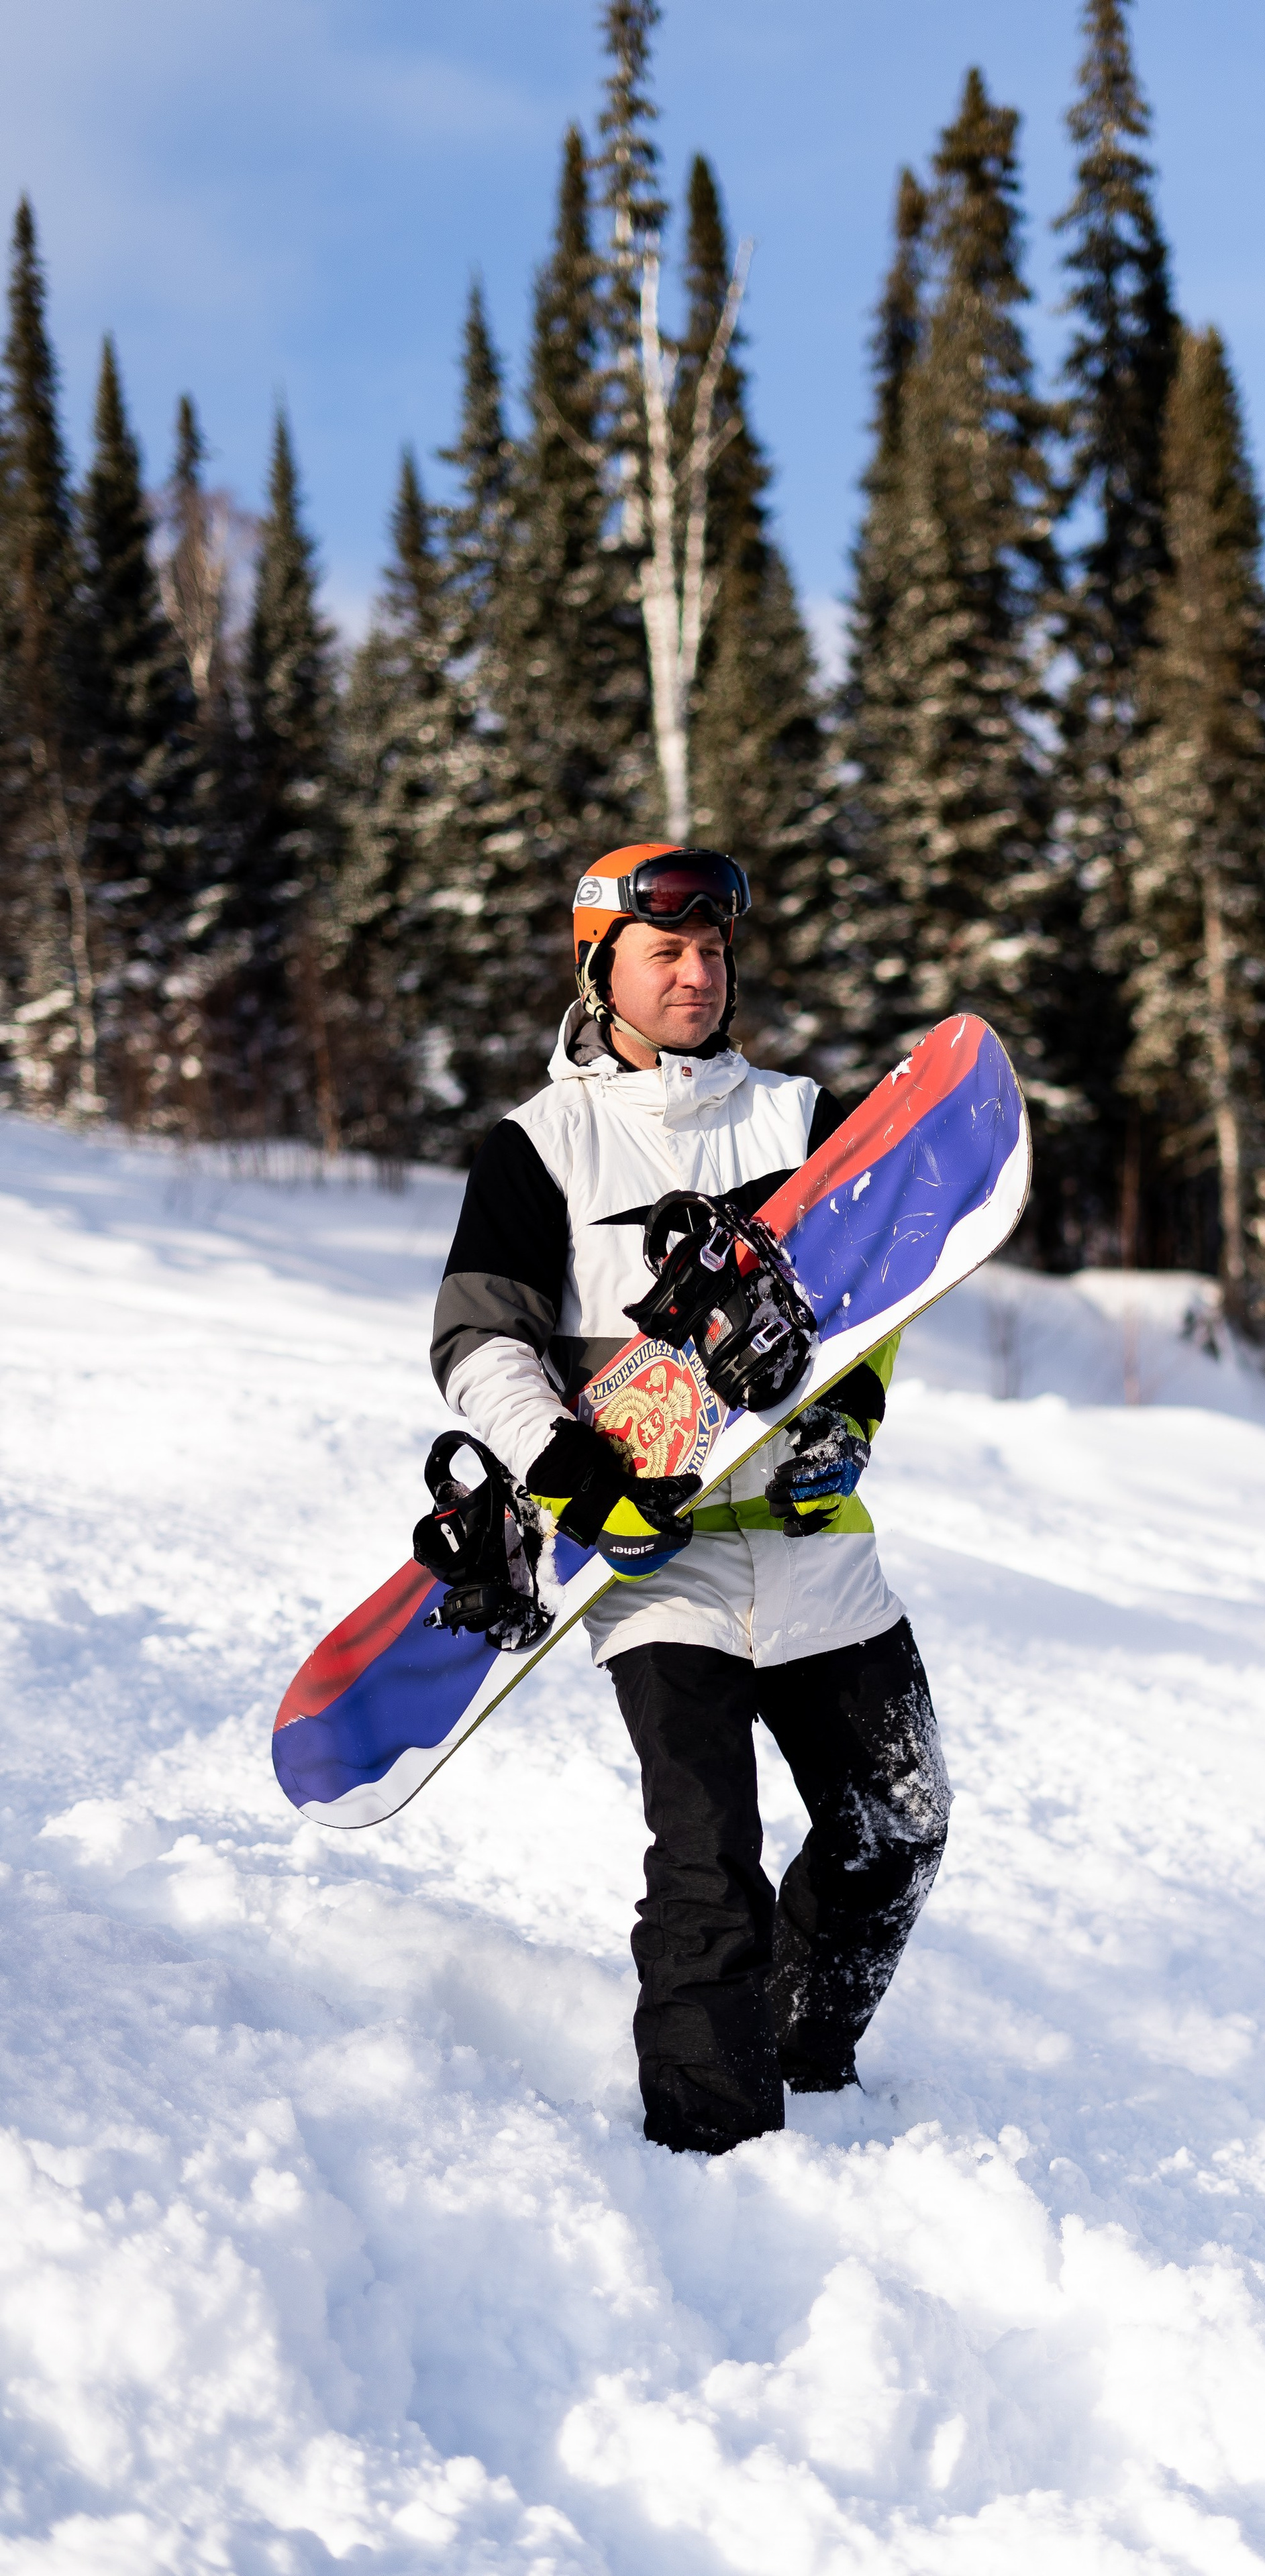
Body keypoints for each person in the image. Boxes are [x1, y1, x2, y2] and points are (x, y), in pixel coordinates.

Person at [429, 843, 950, 2154]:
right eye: (666, 952)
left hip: (812, 1544)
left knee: (896, 1828)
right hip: (658, 1569)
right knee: (706, 1866)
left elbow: (870, 1310)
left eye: (714, 952)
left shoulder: (802, 1119)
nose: (698, 974)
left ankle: (804, 2058)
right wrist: (569, 1476)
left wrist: (848, 1418)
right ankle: (713, 2146)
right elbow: (478, 1342)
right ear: (598, 964)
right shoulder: (539, 1146)